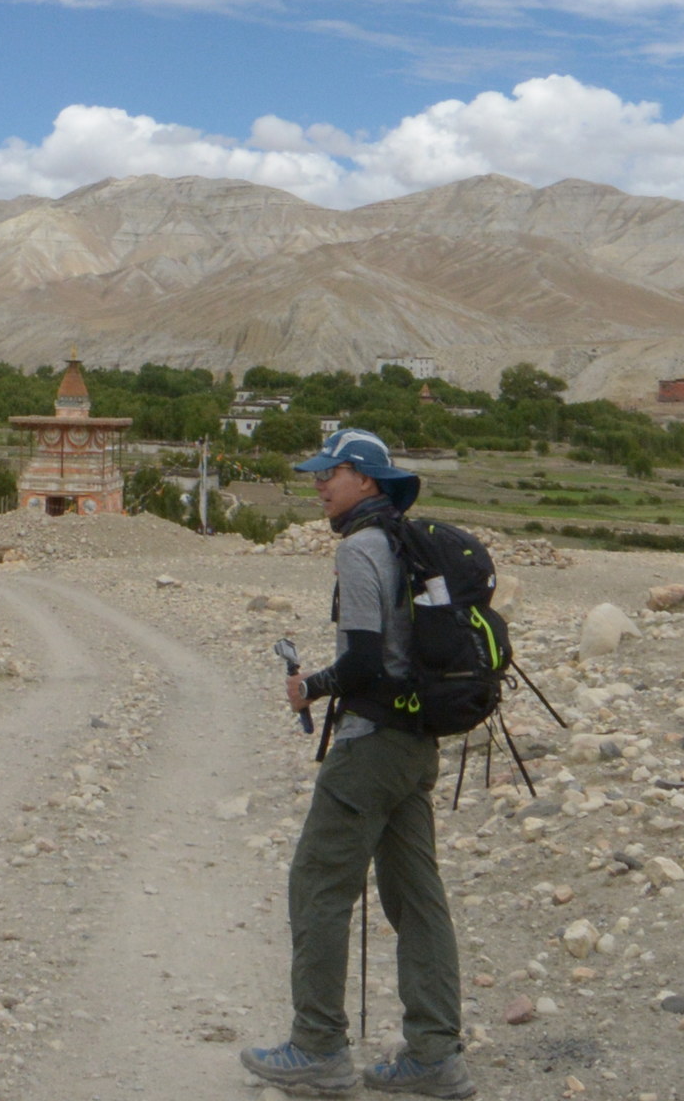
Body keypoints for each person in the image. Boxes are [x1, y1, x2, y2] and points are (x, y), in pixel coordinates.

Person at [241, 428, 470, 1098]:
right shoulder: (407, 546)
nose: (318, 485)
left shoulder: (361, 548)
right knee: (417, 899)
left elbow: (365, 661)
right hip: (416, 744)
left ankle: (317, 1048)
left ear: (366, 480)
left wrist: (312, 687)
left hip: (370, 746)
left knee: (317, 885)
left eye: (329, 473)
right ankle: (435, 1055)